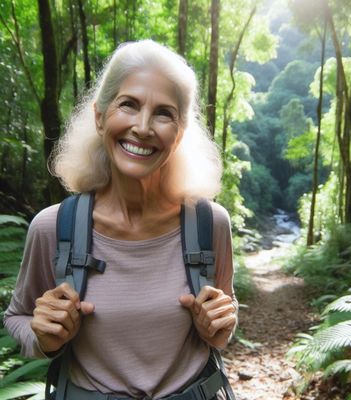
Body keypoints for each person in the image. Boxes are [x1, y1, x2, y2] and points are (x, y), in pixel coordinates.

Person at [4, 40, 238, 400]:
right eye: (128, 104)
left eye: (164, 113)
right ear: (100, 117)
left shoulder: (210, 225)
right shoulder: (53, 227)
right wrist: (43, 337)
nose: (143, 127)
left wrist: (219, 328)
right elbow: (17, 317)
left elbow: (223, 315)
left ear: (179, 133)